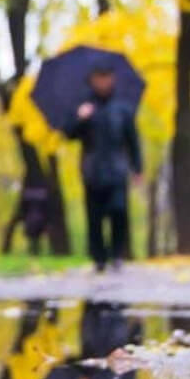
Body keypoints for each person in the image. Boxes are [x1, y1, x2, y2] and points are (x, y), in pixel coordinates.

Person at [67, 64, 143, 272]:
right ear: (92, 80)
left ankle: (117, 254)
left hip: (117, 168)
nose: (103, 82)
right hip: (92, 169)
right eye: (98, 77)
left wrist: (137, 168)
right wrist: (80, 118)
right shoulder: (84, 106)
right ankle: (99, 258)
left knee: (119, 211)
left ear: (112, 79)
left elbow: (132, 140)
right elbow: (69, 134)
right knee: (95, 217)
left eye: (106, 77)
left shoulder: (123, 108)